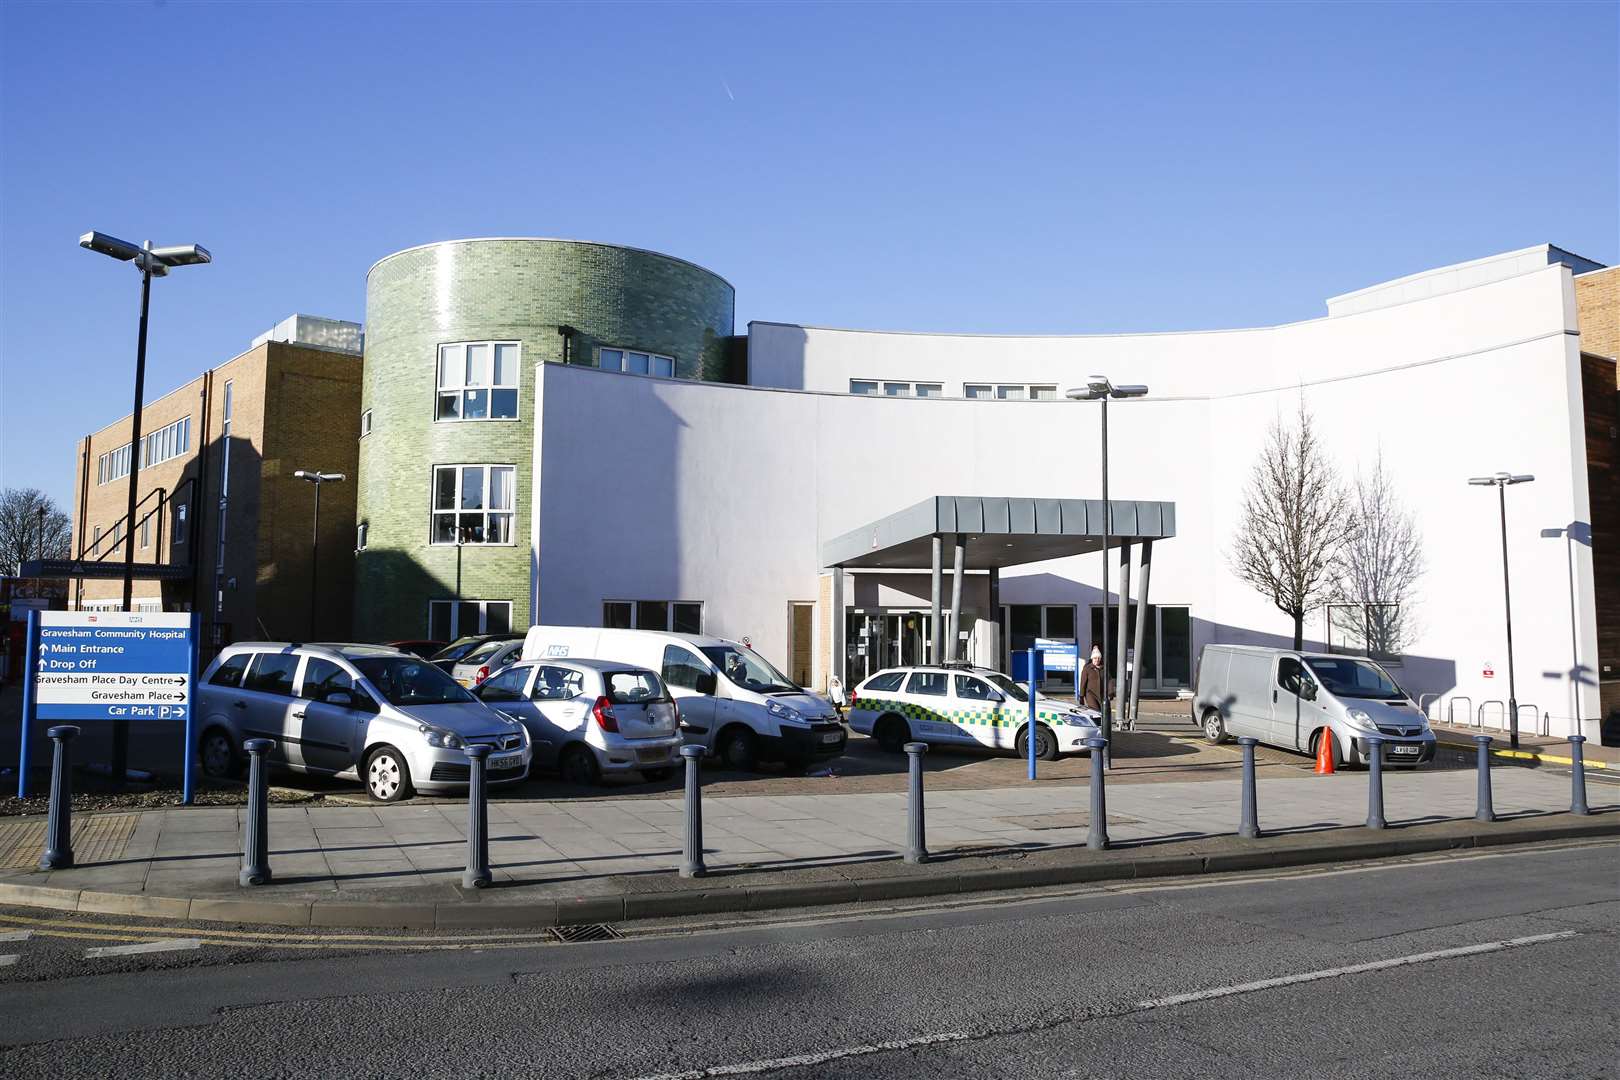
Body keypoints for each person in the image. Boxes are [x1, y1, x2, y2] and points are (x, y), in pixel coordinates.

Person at [1079, 645, 1113, 713]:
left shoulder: (1104, 668)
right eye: (1095, 658)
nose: (1097, 660)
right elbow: (1083, 682)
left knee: (1104, 711)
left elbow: (1109, 680)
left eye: (1098, 658)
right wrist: (1081, 696)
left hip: (1102, 694)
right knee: (1095, 710)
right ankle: (1096, 723)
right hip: (1090, 694)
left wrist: (1110, 693)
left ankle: (1101, 723)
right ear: (1092, 658)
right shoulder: (1087, 668)